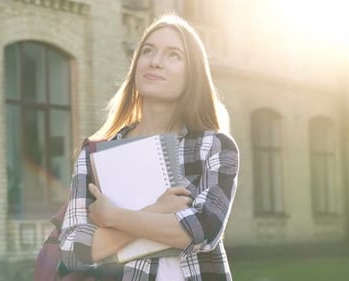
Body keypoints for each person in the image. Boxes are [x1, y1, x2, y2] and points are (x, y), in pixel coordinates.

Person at [59, 13, 239, 281]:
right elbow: (73, 251)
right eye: (148, 51)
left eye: (173, 55)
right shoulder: (94, 155)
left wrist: (114, 217)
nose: (155, 62)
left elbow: (204, 231)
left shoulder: (214, 147)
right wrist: (156, 212)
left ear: (193, 74)